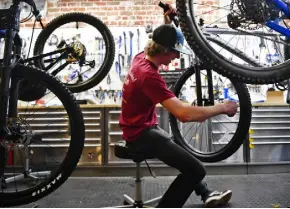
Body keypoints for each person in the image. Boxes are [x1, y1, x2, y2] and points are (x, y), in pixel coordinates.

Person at [119, 3, 238, 208]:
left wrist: (167, 22)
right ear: (165, 51)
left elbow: (160, 37)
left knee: (181, 149)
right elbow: (184, 114)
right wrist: (222, 107)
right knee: (196, 170)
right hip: (141, 135)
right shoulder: (149, 77)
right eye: (175, 51)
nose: (178, 56)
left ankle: (206, 193)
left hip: (139, 128)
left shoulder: (141, 58)